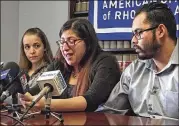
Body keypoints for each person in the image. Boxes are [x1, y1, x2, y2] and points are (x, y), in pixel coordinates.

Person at [97, 2, 179, 119]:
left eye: (139, 33)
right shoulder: (133, 70)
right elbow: (110, 113)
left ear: (160, 31)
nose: (133, 41)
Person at [19, 18, 121, 112]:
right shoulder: (59, 65)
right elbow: (35, 89)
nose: (65, 48)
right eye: (62, 42)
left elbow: (91, 100)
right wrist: (24, 97)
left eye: (71, 41)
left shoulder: (105, 62)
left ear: (88, 42)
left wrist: (47, 103)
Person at [19, 27, 53, 95]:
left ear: (45, 47)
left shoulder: (50, 71)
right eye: (27, 47)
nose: (32, 51)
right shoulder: (20, 72)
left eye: (37, 46)